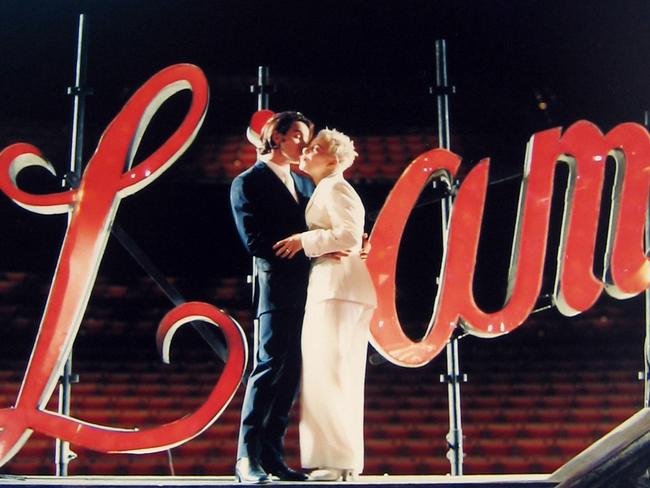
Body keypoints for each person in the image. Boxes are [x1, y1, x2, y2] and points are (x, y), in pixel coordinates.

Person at [273, 128, 377, 481]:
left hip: (337, 287)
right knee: (335, 374)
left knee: (328, 374)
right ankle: (342, 461)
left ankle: (336, 461)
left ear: (333, 160)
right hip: (338, 287)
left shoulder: (335, 188)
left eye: (314, 148)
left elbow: (348, 235)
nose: (305, 152)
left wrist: (305, 240)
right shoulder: (328, 189)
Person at [230, 111, 315, 484]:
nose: (303, 143)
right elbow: (254, 241)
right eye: (297, 135)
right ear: (276, 137)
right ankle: (246, 458)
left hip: (314, 289)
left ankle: (273, 456)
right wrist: (303, 248)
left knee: (293, 373)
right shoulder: (247, 182)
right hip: (277, 287)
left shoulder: (305, 181)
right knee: (268, 369)